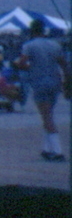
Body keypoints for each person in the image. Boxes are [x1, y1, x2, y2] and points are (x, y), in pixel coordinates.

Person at [18, 19, 68, 161]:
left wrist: (31, 67)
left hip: (39, 82)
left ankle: (57, 151)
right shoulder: (55, 45)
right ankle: (47, 148)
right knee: (49, 114)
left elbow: (22, 63)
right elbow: (64, 64)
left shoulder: (29, 46)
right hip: (55, 82)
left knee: (47, 117)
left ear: (32, 31)